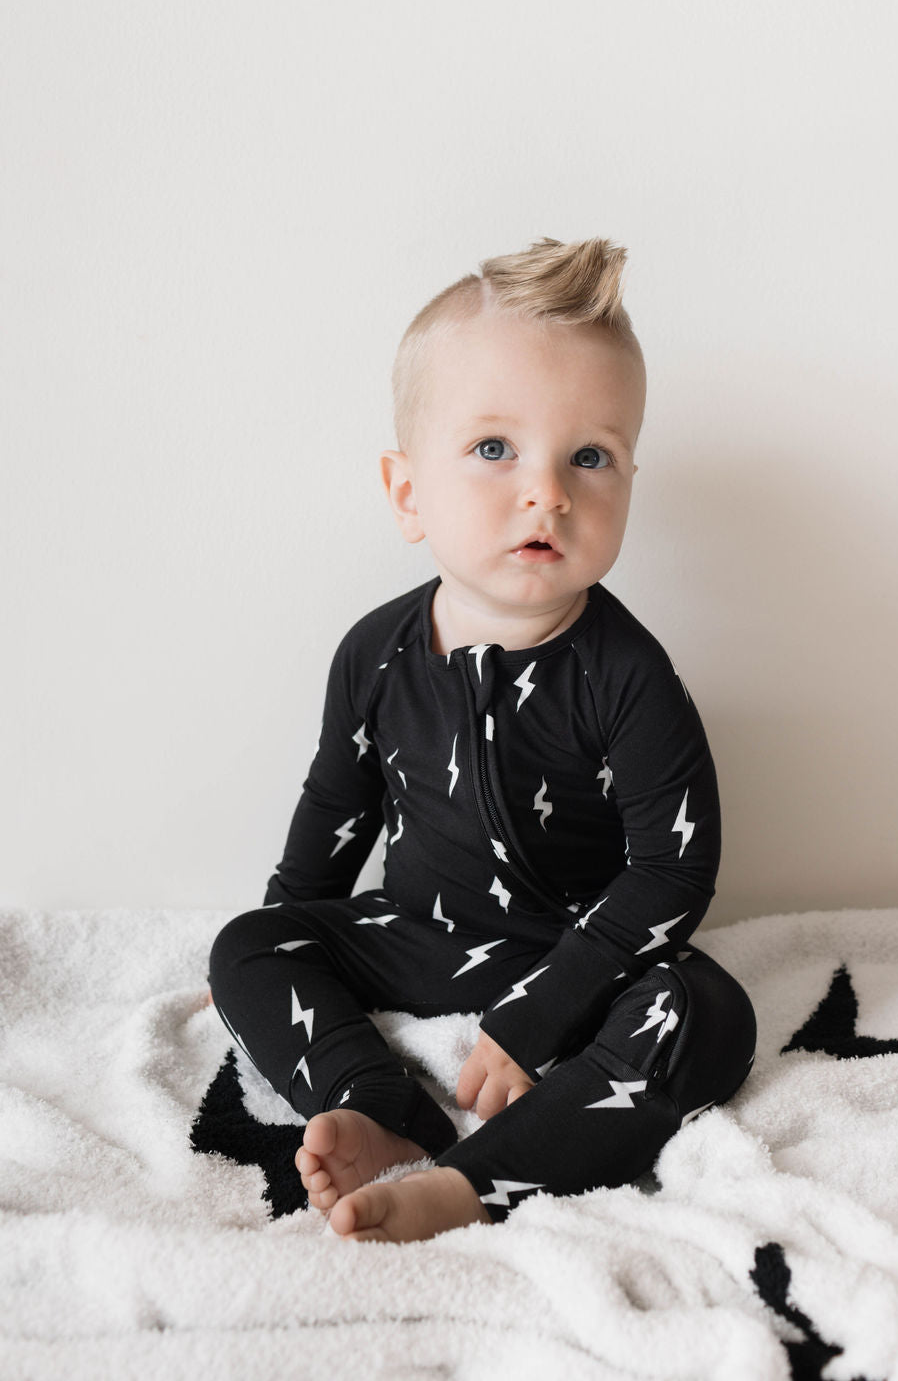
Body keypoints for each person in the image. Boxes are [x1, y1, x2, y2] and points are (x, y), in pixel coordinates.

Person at [208, 236, 756, 1244]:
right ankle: (384, 1111)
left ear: (629, 474)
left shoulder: (627, 675)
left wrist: (542, 1012)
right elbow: (337, 812)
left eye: (589, 455)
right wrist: (289, 948)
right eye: (495, 448)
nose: (545, 490)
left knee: (707, 1010)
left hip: (575, 955)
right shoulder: (374, 653)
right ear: (408, 489)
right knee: (247, 941)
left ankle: (470, 1181)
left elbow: (673, 870)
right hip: (423, 934)